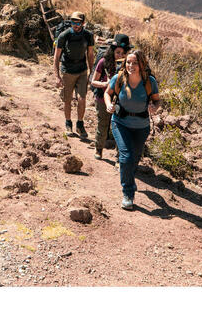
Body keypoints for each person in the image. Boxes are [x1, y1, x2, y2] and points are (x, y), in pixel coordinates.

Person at [104, 48, 161, 210]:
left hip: (141, 126)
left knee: (134, 159)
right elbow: (107, 93)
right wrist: (108, 104)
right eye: (128, 62)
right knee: (126, 156)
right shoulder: (119, 78)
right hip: (120, 123)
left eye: (135, 63)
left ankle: (129, 179)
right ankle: (128, 193)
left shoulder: (149, 82)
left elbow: (157, 101)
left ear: (142, 64)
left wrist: (154, 107)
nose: (130, 65)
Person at [53, 11, 94, 140]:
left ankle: (80, 124)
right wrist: (57, 76)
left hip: (82, 70)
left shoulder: (88, 35)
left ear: (83, 23)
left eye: (78, 22)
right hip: (67, 71)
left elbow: (90, 54)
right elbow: (57, 56)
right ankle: (68, 123)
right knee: (68, 99)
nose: (75, 25)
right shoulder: (64, 35)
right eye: (73, 22)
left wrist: (92, 73)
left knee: (82, 99)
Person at [90, 32, 130, 160]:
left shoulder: (130, 65)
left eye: (123, 53)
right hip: (102, 98)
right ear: (113, 50)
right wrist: (105, 84)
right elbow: (93, 81)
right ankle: (99, 148)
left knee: (121, 128)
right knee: (103, 124)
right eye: (118, 52)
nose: (120, 55)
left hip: (122, 101)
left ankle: (119, 156)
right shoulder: (103, 62)